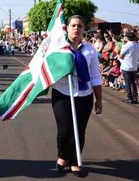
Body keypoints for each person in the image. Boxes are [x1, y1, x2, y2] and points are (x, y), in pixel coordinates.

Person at [52, 15, 102, 178]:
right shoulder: (58, 49)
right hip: (62, 94)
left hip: (84, 95)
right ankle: (63, 156)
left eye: (79, 26)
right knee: (64, 131)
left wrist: (99, 99)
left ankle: (75, 161)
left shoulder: (90, 51)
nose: (76, 28)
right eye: (73, 25)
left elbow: (95, 76)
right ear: (67, 27)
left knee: (79, 131)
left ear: (83, 29)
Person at [119, 32, 139, 104]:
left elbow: (121, 56)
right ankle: (135, 98)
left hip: (126, 67)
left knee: (127, 83)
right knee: (133, 83)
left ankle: (129, 98)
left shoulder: (126, 45)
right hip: (134, 67)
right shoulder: (137, 45)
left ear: (127, 37)